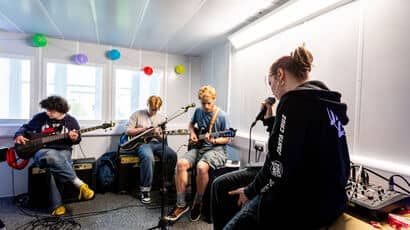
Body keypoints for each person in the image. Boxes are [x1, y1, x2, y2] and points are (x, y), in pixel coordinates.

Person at [211, 44, 350, 229]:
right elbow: (290, 145)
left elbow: (278, 167)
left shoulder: (293, 101)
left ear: (281, 75)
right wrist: (271, 121)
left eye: (271, 83)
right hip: (331, 197)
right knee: (221, 185)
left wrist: (250, 191)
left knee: (233, 206)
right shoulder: (321, 102)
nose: (272, 92)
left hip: (305, 200)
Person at [14, 95, 95, 216]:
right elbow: (25, 128)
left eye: (51, 111)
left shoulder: (71, 121)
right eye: (47, 110)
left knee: (53, 169)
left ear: (62, 110)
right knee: (51, 156)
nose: (48, 113)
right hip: (41, 151)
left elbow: (77, 140)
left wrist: (74, 138)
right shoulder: (40, 118)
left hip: (63, 151)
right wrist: (19, 135)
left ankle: (57, 206)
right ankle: (79, 184)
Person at [165, 85, 231, 222]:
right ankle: (181, 204)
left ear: (214, 99)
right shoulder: (198, 111)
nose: (206, 106)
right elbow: (190, 124)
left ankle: (198, 202)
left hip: (217, 150)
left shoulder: (222, 115)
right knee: (181, 163)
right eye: (203, 103)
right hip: (199, 147)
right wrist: (193, 133)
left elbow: (228, 137)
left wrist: (215, 140)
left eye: (209, 103)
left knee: (201, 167)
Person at [125, 95, 177, 204]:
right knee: (148, 158)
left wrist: (159, 136)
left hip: (156, 143)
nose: (153, 112)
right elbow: (128, 131)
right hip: (142, 144)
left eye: (156, 110)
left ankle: (165, 184)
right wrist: (144, 130)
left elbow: (164, 138)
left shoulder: (162, 118)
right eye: (152, 109)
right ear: (147, 104)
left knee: (172, 155)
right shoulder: (137, 114)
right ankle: (145, 190)